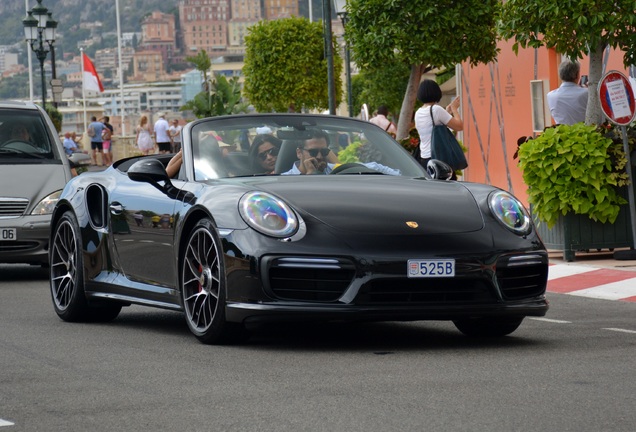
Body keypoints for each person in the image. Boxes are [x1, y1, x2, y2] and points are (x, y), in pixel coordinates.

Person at [414, 79, 464, 175]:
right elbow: (459, 126)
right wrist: (454, 109)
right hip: (439, 158)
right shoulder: (436, 110)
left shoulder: (418, 112)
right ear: (437, 92)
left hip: (424, 158)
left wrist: (447, 112)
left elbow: (432, 125)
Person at [547, 59, 588, 125]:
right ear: (577, 75)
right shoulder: (586, 93)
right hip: (584, 133)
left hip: (562, 133)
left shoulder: (550, 96)